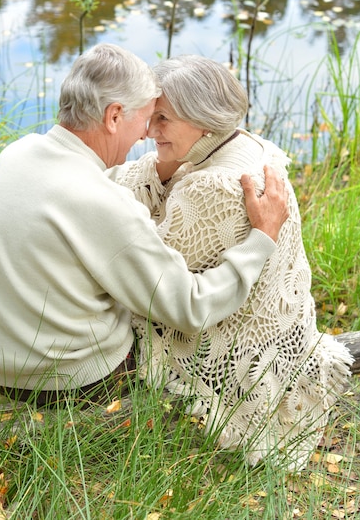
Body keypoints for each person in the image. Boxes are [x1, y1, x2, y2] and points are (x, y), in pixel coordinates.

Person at [0, 43, 289, 409]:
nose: (145, 134)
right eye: (144, 118)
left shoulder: (18, 153)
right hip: (59, 380)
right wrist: (262, 238)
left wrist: (165, 168)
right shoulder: (101, 204)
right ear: (113, 116)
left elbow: (86, 180)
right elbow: (191, 308)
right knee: (168, 331)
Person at [111, 54, 353, 470]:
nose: (149, 131)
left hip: (230, 337)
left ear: (202, 120)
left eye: (162, 119)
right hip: (253, 316)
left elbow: (144, 277)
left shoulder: (218, 187)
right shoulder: (243, 144)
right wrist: (162, 169)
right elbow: (133, 178)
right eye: (151, 116)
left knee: (95, 300)